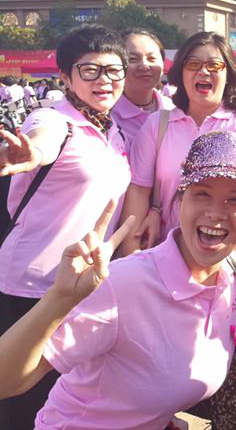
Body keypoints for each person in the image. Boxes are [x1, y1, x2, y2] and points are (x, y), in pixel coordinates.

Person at [0, 131, 236, 429]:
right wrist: (59, 299)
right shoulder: (123, 285)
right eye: (202, 194)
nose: (215, 213)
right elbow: (7, 381)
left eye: (235, 200)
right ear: (180, 200)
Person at [0, 25, 132, 429]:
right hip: (30, 286)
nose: (104, 80)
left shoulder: (114, 132)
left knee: (63, 400)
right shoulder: (56, 120)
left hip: (82, 288)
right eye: (89, 70)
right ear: (65, 77)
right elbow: (43, 139)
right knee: (21, 401)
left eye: (113, 70)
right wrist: (32, 152)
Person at [120, 31, 236, 253]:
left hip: (222, 252)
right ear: (181, 72)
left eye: (214, 65)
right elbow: (139, 191)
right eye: (193, 64)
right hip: (162, 251)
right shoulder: (158, 125)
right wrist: (131, 255)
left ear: (228, 73)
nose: (204, 71)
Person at [111, 28, 173, 150]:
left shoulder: (173, 110)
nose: (144, 66)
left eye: (151, 59)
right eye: (133, 59)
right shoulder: (108, 115)